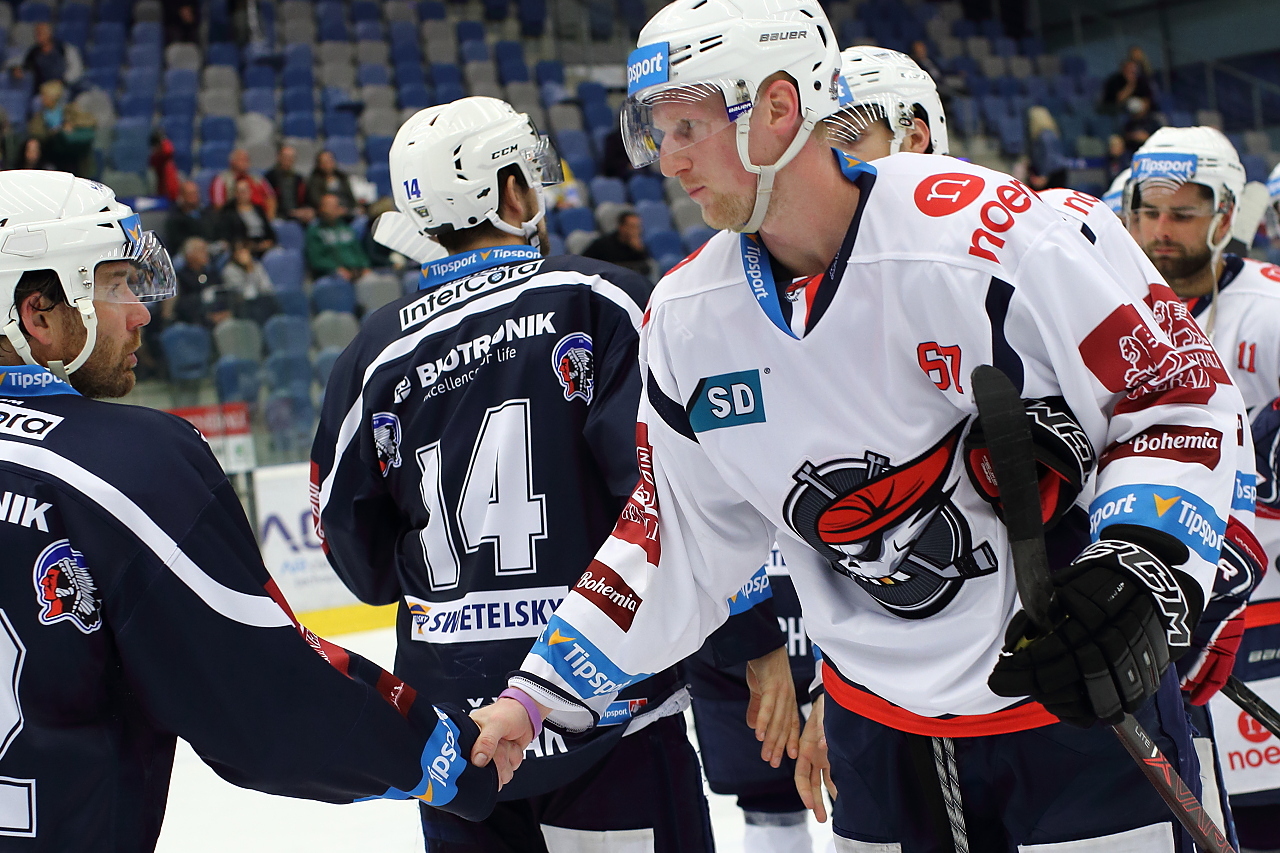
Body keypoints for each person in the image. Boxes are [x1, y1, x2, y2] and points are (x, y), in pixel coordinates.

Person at [472, 2, 1246, 850]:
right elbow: (672, 539)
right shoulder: (687, 320)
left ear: (777, 107)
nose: (668, 158)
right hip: (877, 739)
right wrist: (536, 695)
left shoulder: (993, 234)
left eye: (687, 126)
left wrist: (1136, 566)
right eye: (655, 131)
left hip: (1071, 708)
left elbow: (1175, 392)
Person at [0, 170, 500, 852]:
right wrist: (452, 757)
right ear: (37, 314)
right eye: (114, 285)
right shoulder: (127, 465)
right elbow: (268, 701)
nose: (140, 312)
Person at [310, 96, 731, 853]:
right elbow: (670, 496)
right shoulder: (599, 299)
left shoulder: (373, 353)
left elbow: (357, 559)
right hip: (609, 712)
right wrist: (753, 638)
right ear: (510, 192)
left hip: (459, 745)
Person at [1125, 126, 1280, 852]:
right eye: (1148, 211)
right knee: (1204, 814)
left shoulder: (1268, 308)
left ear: (1224, 215)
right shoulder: (1113, 305)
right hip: (1164, 613)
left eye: (1183, 214)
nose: (1162, 230)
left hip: (1263, 609)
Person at [305, 193, 370, 280]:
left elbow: (359, 251)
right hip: (331, 274)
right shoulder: (315, 231)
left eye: (336, 206)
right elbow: (316, 260)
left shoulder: (347, 229)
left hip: (357, 271)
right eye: (329, 206)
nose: (333, 209)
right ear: (321, 208)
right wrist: (335, 269)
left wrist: (365, 266)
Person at [215, 176, 277, 256]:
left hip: (264, 245)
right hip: (246, 248)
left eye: (245, 190)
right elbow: (230, 237)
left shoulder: (258, 209)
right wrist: (253, 246)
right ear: (235, 194)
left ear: (250, 192)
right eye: (240, 191)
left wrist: (269, 242)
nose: (243, 194)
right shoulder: (229, 213)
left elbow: (269, 231)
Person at [221, 239, 279, 324]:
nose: (244, 255)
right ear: (234, 254)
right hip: (242, 306)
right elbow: (248, 294)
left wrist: (251, 268)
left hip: (261, 301)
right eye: (240, 252)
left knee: (273, 302)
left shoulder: (257, 266)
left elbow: (267, 288)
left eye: (245, 251)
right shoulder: (229, 270)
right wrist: (249, 270)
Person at [209, 148, 278, 220]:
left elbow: (271, 198)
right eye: (241, 159)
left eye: (247, 159)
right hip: (234, 218)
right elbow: (218, 205)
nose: (245, 162)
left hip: (259, 216)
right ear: (232, 162)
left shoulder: (257, 178)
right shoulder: (221, 180)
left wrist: (269, 219)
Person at [171, 236, 224, 327]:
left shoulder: (213, 274)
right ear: (189, 255)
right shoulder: (180, 277)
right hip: (192, 323)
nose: (206, 253)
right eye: (201, 250)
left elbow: (222, 295)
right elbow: (182, 306)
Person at [583, 210, 653, 276]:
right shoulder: (603, 244)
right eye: (632, 227)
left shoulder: (639, 246)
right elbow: (585, 262)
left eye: (637, 227)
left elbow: (646, 269)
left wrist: (638, 250)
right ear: (621, 227)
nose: (636, 231)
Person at [17, 22, 79, 90]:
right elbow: (25, 67)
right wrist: (19, 71)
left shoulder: (64, 49)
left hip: (63, 88)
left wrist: (63, 81)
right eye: (36, 33)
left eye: (41, 33)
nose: (37, 36)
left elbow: (76, 68)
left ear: (49, 34)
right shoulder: (33, 53)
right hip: (42, 90)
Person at [265, 143, 314, 224]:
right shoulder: (270, 177)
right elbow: (270, 201)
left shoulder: (299, 179)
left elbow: (306, 199)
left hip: (298, 214)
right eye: (285, 157)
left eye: (291, 157)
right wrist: (291, 213)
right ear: (278, 157)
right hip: (279, 216)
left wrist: (306, 210)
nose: (288, 160)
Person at [164, 180, 216, 254]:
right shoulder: (175, 218)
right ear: (182, 196)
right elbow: (176, 241)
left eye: (195, 193)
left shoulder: (208, 213)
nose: (194, 197)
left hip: (209, 249)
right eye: (190, 194)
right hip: (185, 252)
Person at [1026, 105, 1070, 190]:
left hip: (1052, 173)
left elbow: (1050, 156)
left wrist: (1044, 176)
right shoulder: (1047, 133)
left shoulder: (1045, 135)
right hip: (1053, 171)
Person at [149, 129, 180, 202]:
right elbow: (168, 150)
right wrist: (163, 141)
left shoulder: (166, 159)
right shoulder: (156, 158)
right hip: (165, 194)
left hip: (172, 193)